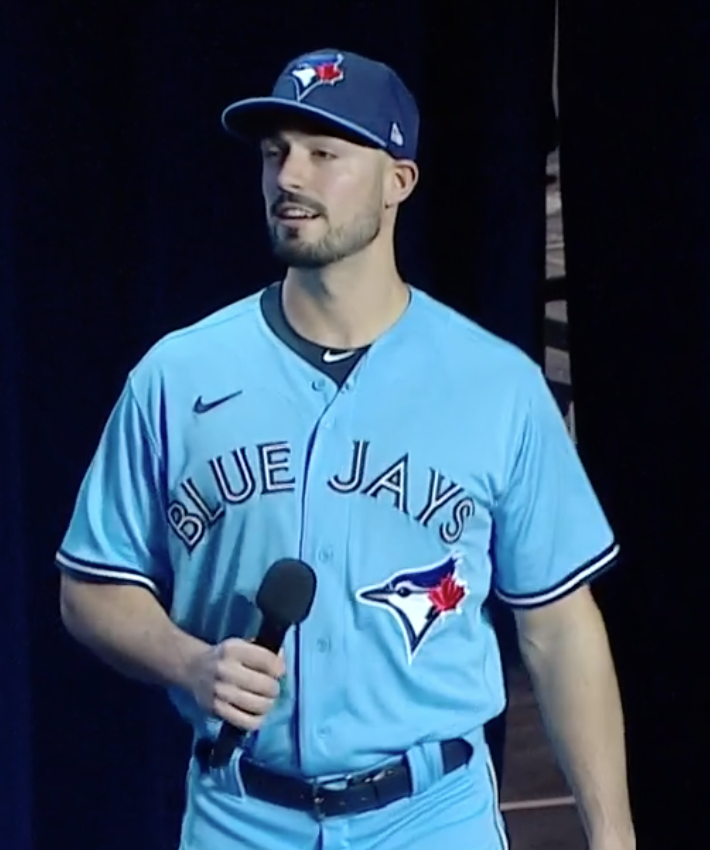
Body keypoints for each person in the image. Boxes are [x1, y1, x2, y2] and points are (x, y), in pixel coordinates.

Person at [56, 49, 636, 850]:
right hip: (240, 816)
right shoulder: (177, 374)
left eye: (325, 154)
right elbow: (90, 588)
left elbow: (558, 625)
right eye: (275, 152)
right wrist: (189, 663)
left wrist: (613, 835)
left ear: (398, 181)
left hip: (431, 816)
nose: (291, 176)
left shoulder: (495, 385)